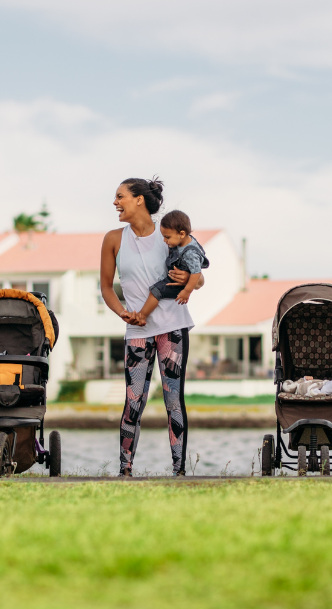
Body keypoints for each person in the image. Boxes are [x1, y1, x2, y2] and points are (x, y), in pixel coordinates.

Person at [99, 178, 204, 476]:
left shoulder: (168, 234)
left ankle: (179, 471)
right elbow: (106, 287)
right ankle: (125, 470)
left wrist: (188, 282)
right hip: (137, 332)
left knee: (173, 400)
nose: (116, 203)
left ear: (139, 200)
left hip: (172, 328)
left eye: (121, 196)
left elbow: (199, 276)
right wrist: (123, 313)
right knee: (134, 400)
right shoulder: (113, 239)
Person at [131, 210, 209, 325]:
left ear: (182, 234)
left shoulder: (190, 253)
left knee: (156, 291)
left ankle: (142, 316)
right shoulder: (181, 241)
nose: (164, 240)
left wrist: (187, 291)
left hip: (177, 283)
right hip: (177, 274)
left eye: (167, 237)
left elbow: (196, 273)